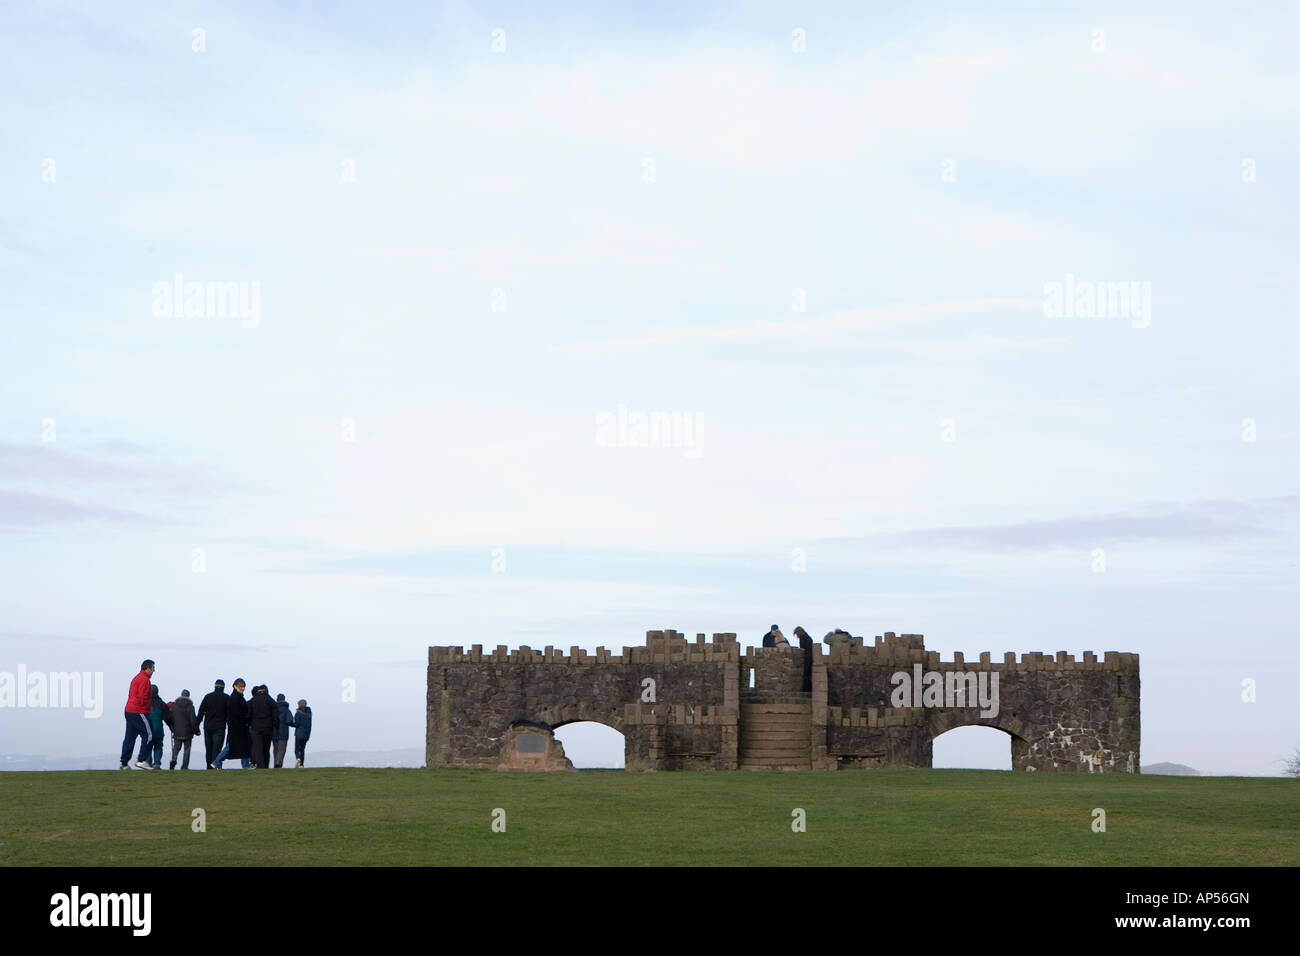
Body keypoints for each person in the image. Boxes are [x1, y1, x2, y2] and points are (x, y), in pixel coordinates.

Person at [119, 659, 155, 770]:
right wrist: (146, 710)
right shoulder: (145, 680)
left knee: (130, 737)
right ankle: (142, 760)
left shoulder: (136, 678)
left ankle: (124, 763)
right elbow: (142, 697)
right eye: (153, 668)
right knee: (150, 735)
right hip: (138, 711)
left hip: (129, 710)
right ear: (148, 668)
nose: (154, 671)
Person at [213, 679, 251, 769]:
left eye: (243, 686)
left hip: (239, 726)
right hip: (237, 726)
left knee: (243, 745)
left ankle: (246, 764)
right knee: (232, 746)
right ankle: (217, 761)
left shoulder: (237, 697)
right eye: (240, 686)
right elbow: (237, 713)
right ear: (235, 686)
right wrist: (246, 718)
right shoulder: (235, 698)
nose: (242, 688)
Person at [196, 679, 227, 769]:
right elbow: (229, 714)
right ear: (223, 688)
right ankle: (215, 766)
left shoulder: (208, 697)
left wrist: (196, 726)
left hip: (208, 726)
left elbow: (201, 712)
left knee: (208, 749)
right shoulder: (226, 698)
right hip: (220, 726)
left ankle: (209, 767)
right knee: (217, 749)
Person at [247, 684, 277, 769]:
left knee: (258, 748)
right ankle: (266, 766)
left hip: (255, 728)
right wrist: (275, 726)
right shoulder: (271, 701)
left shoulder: (252, 701)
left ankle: (260, 766)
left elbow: (248, 715)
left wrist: (248, 724)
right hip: (268, 728)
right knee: (266, 748)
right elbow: (275, 716)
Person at [168, 689, 198, 770]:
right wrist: (196, 731)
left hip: (177, 731)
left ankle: (174, 760)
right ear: (188, 696)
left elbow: (170, 718)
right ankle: (184, 766)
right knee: (187, 749)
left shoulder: (174, 706)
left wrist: (172, 728)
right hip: (188, 732)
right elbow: (193, 720)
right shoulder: (191, 707)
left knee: (176, 748)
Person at [148, 684, 171, 769]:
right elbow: (167, 718)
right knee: (158, 746)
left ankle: (148, 764)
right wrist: (172, 727)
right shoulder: (162, 704)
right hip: (158, 729)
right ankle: (157, 763)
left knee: (147, 747)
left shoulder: (145, 703)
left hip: (148, 729)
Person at [272, 693, 292, 768]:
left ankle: (275, 762)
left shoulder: (273, 709)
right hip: (283, 732)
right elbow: (289, 721)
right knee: (282, 749)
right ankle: (278, 763)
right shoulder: (286, 710)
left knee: (275, 749)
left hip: (274, 732)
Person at [292, 699, 312, 768]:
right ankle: (301, 764)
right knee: (302, 749)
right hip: (306, 734)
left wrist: (290, 723)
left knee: (297, 748)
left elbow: (296, 724)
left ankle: (298, 758)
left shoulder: (298, 713)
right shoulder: (309, 712)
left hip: (299, 734)